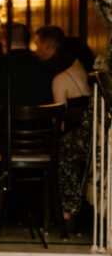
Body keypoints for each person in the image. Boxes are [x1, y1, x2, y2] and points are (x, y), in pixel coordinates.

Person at [53, 37, 96, 222]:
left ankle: (69, 210)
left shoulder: (62, 78)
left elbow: (59, 122)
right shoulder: (94, 75)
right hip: (98, 136)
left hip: (77, 139)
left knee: (64, 149)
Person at [0, 23, 53, 109]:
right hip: (38, 122)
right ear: (27, 42)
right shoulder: (46, 70)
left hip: (2, 122)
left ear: (4, 42)